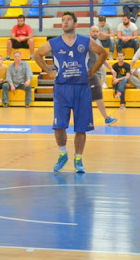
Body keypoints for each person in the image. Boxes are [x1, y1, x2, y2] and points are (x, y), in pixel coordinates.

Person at [33, 12, 107, 173]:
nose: (65, 22)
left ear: (75, 24)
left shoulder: (85, 41)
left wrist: (92, 71)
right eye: (63, 20)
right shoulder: (54, 42)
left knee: (81, 128)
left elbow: (103, 53)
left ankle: (78, 158)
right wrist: (49, 71)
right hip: (62, 89)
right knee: (59, 126)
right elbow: (37, 54)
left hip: (82, 88)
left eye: (68, 20)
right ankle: (62, 154)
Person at [88, 26, 118, 125]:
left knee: (89, 97)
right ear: (89, 32)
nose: (95, 33)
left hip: (96, 73)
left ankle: (83, 118)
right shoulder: (88, 42)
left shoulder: (98, 42)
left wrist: (111, 68)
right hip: (91, 73)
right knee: (98, 95)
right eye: (93, 31)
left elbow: (102, 58)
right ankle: (106, 118)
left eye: (97, 31)